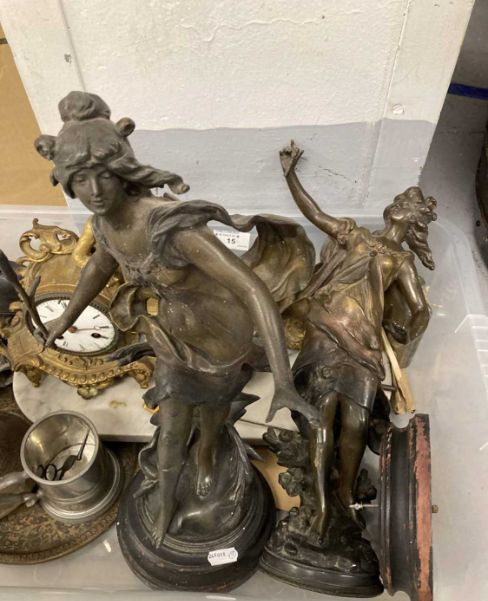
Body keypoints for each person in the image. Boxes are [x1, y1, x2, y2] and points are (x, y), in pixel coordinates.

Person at [36, 92, 318, 546]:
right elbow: (99, 265)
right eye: (81, 179)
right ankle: (166, 499)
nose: (94, 192)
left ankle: (207, 459)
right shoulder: (104, 222)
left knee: (212, 421)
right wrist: (64, 318)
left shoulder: (172, 227)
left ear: (124, 171)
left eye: (104, 175)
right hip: (172, 333)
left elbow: (252, 290)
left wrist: (283, 380)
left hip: (222, 337)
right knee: (170, 427)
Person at [279, 140, 436, 539]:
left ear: (412, 219)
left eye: (406, 202)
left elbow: (421, 310)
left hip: (364, 346)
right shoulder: (356, 235)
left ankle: (345, 495)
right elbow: (315, 214)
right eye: (400, 198)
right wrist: (290, 175)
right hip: (328, 331)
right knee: (321, 416)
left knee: (357, 424)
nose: (398, 202)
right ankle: (322, 504)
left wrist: (407, 332)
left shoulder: (401, 261)